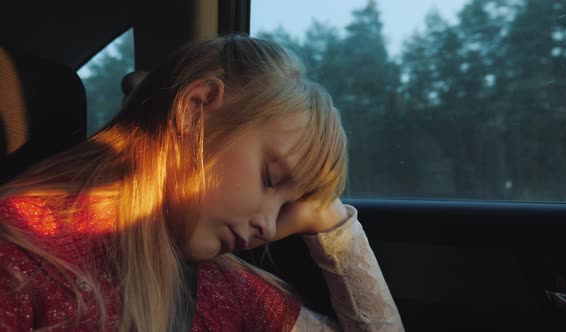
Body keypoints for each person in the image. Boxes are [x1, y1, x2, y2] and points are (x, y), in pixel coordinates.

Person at [0, 34, 404, 331]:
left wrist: (332, 224)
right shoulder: (23, 259)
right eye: (270, 178)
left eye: (287, 207)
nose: (269, 226)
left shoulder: (222, 286)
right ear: (195, 111)